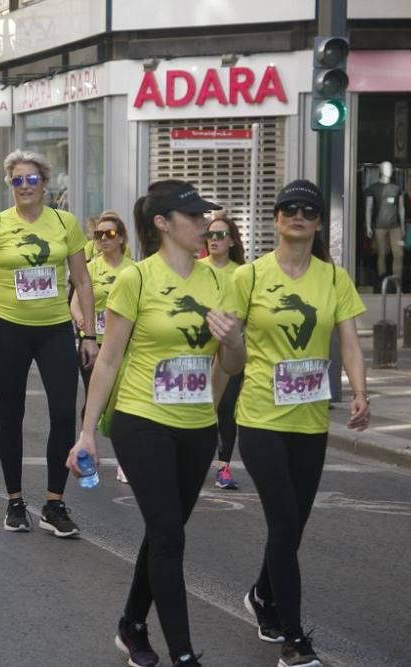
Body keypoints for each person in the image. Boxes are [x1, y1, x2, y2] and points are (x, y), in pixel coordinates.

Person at [68, 180, 244, 667]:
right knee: (170, 534)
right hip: (140, 420)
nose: (206, 225)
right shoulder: (136, 279)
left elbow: (232, 364)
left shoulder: (220, 281)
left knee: (164, 532)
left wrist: (231, 341)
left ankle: (132, 623)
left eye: (207, 217)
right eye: (194, 218)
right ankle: (184, 654)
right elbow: (107, 361)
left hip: (196, 425)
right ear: (163, 224)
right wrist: (86, 432)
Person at [235, 180, 368, 667]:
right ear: (275, 218)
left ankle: (261, 595)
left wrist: (360, 392)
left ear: (317, 222)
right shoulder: (248, 278)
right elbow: (226, 349)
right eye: (289, 208)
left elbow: (349, 343)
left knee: (294, 527)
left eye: (308, 210)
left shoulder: (334, 280)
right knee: (284, 520)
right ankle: (294, 639)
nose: (298, 215)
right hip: (259, 416)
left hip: (310, 419)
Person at [0, 149, 99, 537]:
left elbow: (83, 281)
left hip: (56, 327)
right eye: (16, 180)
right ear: (10, 185)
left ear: (45, 183)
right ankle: (14, 501)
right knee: (12, 414)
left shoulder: (65, 223)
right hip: (7, 327)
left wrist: (88, 334)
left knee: (62, 413)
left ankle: (54, 503)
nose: (24, 186)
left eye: (31, 179)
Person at [70, 210, 131, 484]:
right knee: (95, 401)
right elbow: (75, 300)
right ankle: (87, 449)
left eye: (110, 234)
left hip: (124, 347)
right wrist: (82, 320)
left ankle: (125, 460)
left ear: (121, 238)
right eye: (99, 235)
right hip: (93, 344)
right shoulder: (91, 267)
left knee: (121, 404)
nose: (104, 239)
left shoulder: (133, 269)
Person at [199, 211, 246, 490]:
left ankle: (224, 467)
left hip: (229, 348)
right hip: (199, 349)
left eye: (221, 235)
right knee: (201, 408)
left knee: (227, 408)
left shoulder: (241, 273)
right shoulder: (196, 269)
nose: (214, 240)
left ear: (231, 241)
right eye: (210, 234)